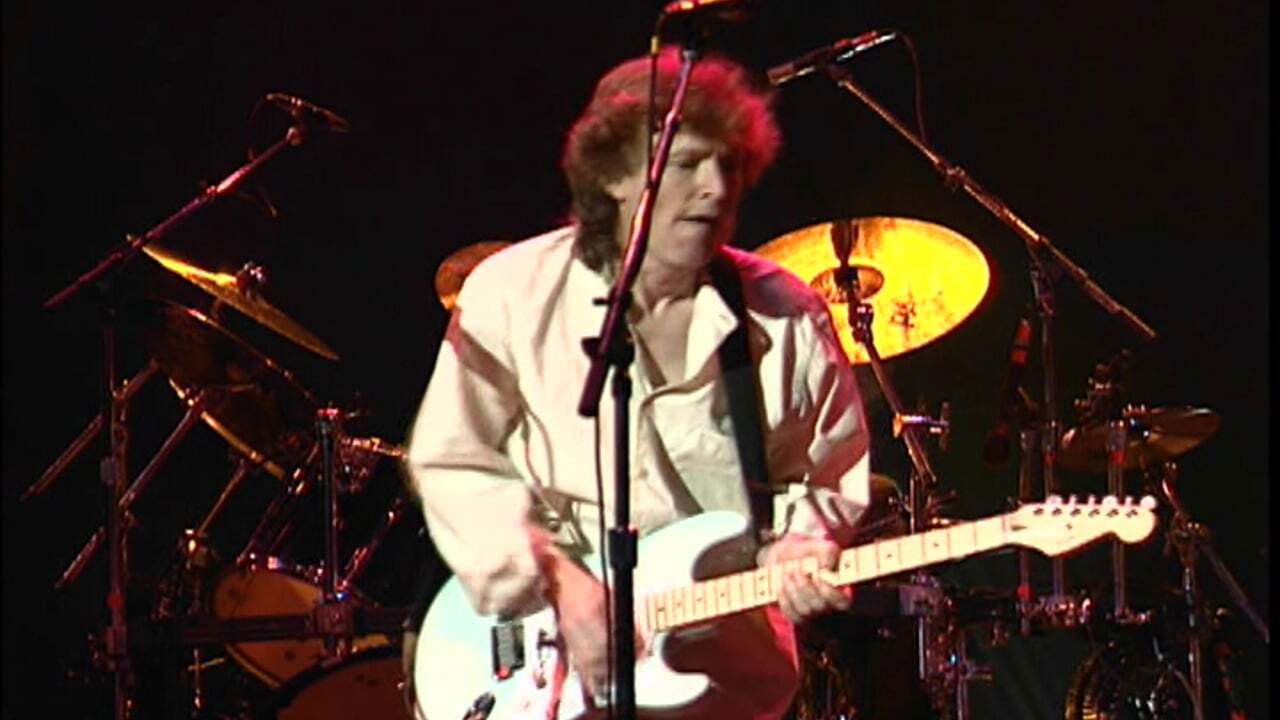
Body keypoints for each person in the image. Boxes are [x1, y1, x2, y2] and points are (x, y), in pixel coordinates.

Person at [406, 48, 871, 719]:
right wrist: (557, 583)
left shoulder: (787, 314)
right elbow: (452, 461)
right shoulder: (511, 293)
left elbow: (824, 475)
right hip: (546, 672)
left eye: (730, 165)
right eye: (687, 164)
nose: (716, 188)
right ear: (615, 177)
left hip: (725, 683)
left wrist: (801, 542)